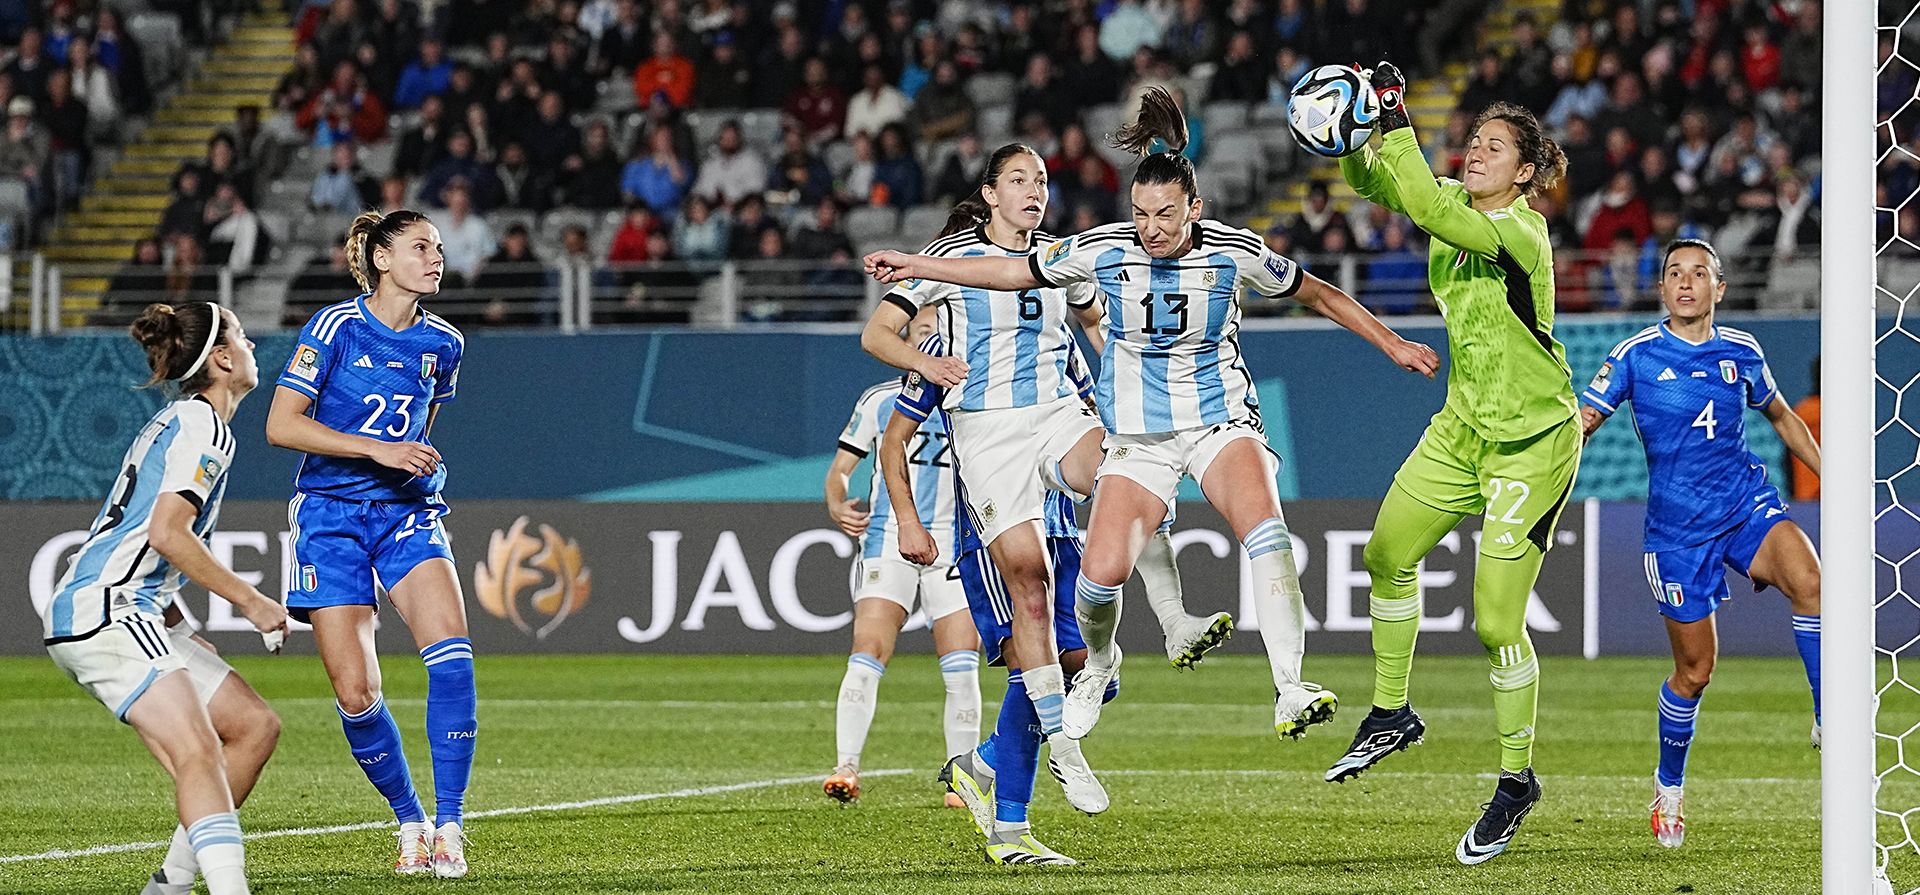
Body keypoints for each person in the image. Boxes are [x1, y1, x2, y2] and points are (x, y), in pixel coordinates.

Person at [862, 90, 1437, 746]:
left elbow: (1318, 292)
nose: (1152, 228)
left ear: (1195, 207)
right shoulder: (1104, 248)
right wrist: (914, 264)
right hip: (1139, 437)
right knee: (1101, 579)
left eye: (1165, 214)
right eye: (1141, 214)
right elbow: (1008, 272)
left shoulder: (1232, 251)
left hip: (1219, 419)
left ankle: (1290, 686)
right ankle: (1100, 664)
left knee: (1266, 529)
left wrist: (1391, 341)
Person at [857, 138, 1239, 774]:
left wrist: (1130, 368)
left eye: (1040, 180)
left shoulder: (1062, 258)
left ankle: (1174, 621)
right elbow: (876, 334)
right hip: (986, 431)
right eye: (1018, 180)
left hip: (1059, 413)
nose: (1034, 191)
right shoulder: (950, 257)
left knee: (1125, 469)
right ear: (989, 194)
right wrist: (928, 363)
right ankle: (1061, 746)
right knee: (1029, 591)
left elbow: (1095, 324)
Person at [1324, 65, 1578, 866]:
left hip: (1532, 442)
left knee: (1496, 622)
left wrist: (1395, 112)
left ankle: (1515, 780)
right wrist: (1349, 128)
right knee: (1385, 553)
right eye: (1473, 140)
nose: (1475, 151)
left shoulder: (1519, 233)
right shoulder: (1457, 206)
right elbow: (1373, 181)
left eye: (1494, 146)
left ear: (1527, 172)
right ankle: (1392, 712)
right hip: (1463, 429)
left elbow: (1423, 202)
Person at [1578, 238, 1823, 850]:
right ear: (1661, 289)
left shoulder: (1742, 350)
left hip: (1745, 505)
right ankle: (1669, 787)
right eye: (1673, 274)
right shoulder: (1635, 356)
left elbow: (1783, 417)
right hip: (1678, 534)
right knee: (1695, 671)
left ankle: (1828, 716)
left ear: (1720, 288)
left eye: (1698, 274)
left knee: (1813, 584)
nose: (1685, 283)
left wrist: (1834, 475)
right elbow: (1582, 422)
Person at [45, 301, 287, 895]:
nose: (252, 344)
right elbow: (166, 534)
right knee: (199, 749)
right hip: (107, 609)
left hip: (128, 608)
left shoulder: (189, 420)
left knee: (253, 727)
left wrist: (179, 625)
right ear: (223, 359)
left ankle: (170, 883)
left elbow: (144, 535)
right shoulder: (203, 426)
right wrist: (253, 603)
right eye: (241, 336)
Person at [264, 210, 474, 879]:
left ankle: (450, 825)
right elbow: (281, 425)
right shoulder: (334, 327)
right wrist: (376, 448)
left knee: (453, 658)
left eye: (438, 248)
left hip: (405, 513)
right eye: (420, 247)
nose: (435, 258)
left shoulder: (445, 343)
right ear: (382, 259)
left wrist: (419, 462)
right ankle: (409, 819)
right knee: (356, 692)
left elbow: (420, 424)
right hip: (329, 517)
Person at [883, 329, 1112, 865]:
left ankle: (982, 763)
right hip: (994, 535)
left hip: (1060, 528)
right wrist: (909, 523)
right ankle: (1010, 830)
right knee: (1031, 674)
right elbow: (893, 441)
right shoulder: (946, 347)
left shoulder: (1055, 335)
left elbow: (1093, 411)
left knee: (1095, 674)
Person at [820, 307, 980, 805]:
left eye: (940, 329)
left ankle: (962, 778)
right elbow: (841, 468)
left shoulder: (977, 397)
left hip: (954, 542)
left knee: (961, 665)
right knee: (868, 649)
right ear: (906, 337)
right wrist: (835, 498)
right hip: (889, 537)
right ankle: (846, 766)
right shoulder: (881, 401)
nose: (931, 337)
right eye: (923, 328)